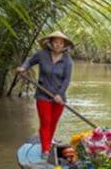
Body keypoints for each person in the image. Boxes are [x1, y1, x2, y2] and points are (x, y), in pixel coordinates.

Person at [17, 30, 75, 159]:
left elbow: (66, 80)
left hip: (59, 98)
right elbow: (29, 62)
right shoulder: (42, 55)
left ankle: (47, 143)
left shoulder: (68, 61)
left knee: (53, 123)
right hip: (43, 95)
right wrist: (23, 68)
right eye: (55, 42)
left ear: (64, 45)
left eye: (61, 43)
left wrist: (60, 95)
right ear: (51, 43)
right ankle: (45, 150)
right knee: (45, 122)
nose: (58, 45)